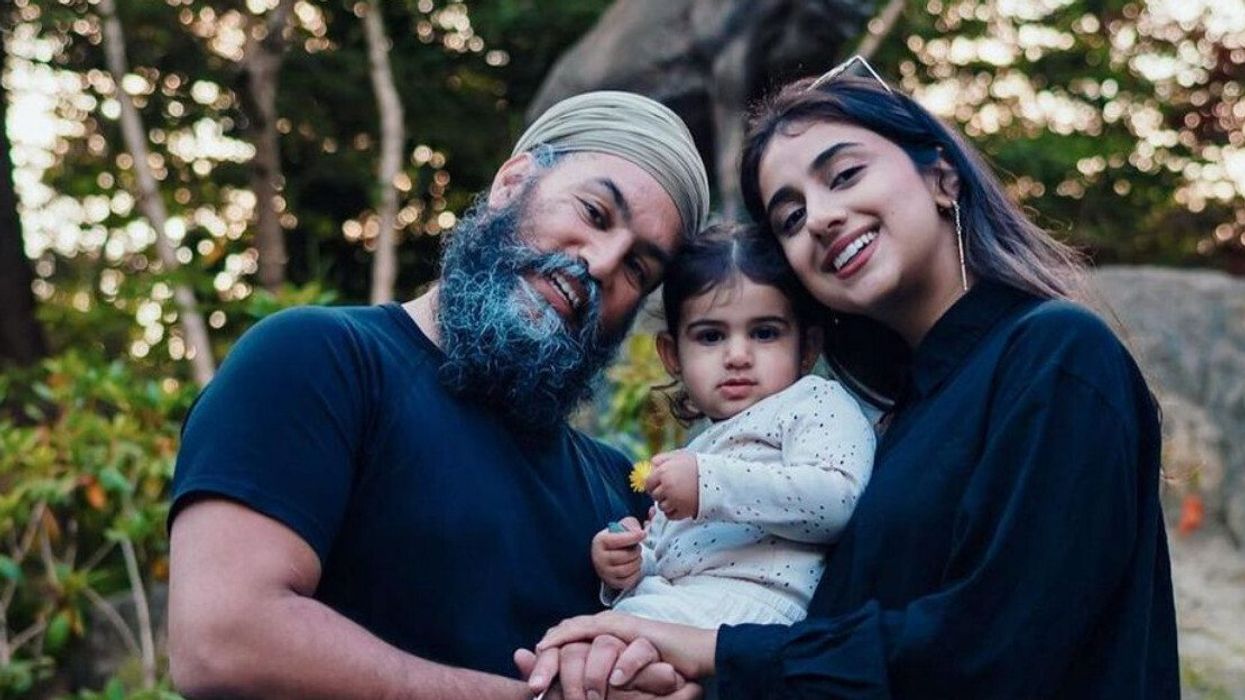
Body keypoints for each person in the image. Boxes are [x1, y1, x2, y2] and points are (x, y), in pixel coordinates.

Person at [528, 58, 1179, 699]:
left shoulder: (1055, 355)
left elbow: (999, 650)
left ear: (943, 176)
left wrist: (716, 653)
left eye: (843, 175)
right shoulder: (896, 419)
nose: (819, 217)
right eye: (789, 218)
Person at [166, 90, 711, 700]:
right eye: (594, 213)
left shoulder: (620, 496)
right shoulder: (318, 360)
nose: (605, 263)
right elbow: (223, 640)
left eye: (639, 269)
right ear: (512, 183)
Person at [593, 222, 875, 633]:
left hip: (752, 611)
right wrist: (630, 561)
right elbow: (675, 558)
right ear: (673, 355)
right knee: (570, 651)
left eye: (764, 333)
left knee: (586, 648)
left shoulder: (814, 402)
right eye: (711, 336)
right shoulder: (698, 451)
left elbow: (839, 501)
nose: (738, 355)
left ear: (808, 346)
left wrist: (707, 483)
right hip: (678, 606)